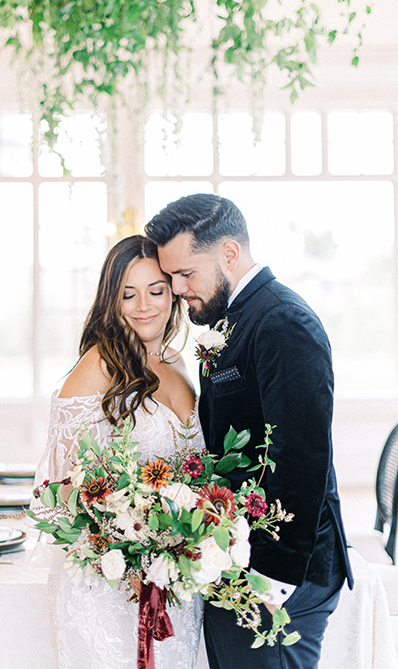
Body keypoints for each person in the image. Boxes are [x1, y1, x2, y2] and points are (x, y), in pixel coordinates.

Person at [145, 193, 353, 669]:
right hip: (241, 559)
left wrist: (270, 580)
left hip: (280, 574)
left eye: (185, 274)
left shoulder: (283, 321)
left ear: (230, 253)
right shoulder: (236, 316)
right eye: (171, 277)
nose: (176, 289)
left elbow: (300, 455)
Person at [31, 234, 206, 669]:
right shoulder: (98, 365)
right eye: (128, 293)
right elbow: (62, 488)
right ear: (112, 300)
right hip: (112, 588)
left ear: (174, 294)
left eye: (155, 290)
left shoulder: (178, 363)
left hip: (174, 578)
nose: (143, 305)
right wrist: (127, 530)